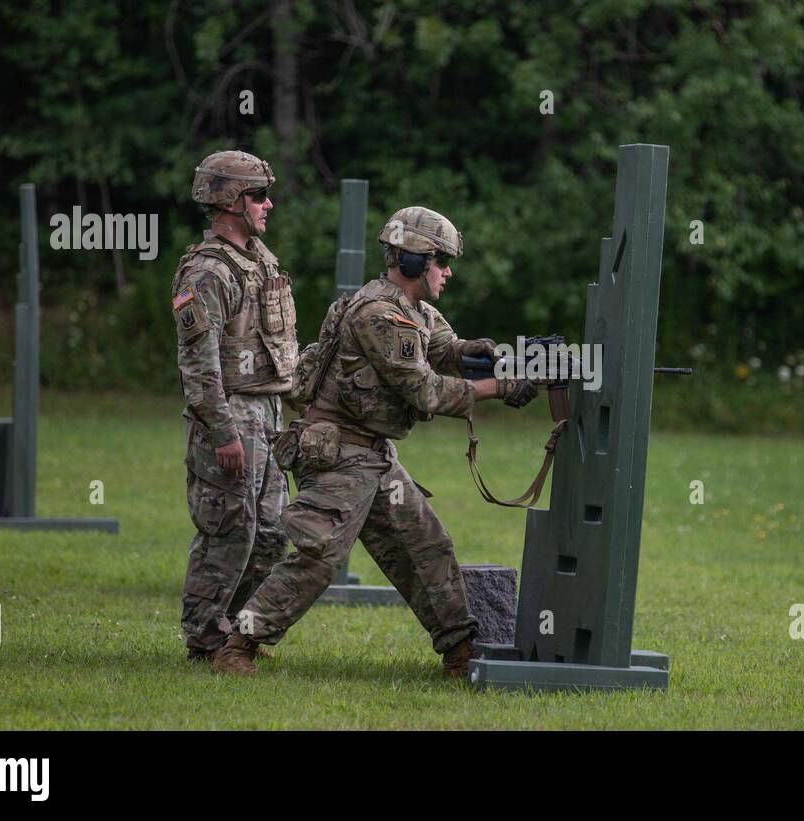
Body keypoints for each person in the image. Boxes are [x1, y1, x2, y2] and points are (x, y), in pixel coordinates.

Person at [212, 206, 537, 677]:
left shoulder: (414, 310)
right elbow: (423, 388)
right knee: (319, 558)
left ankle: (460, 653)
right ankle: (237, 644)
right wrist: (499, 387)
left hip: (371, 454)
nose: (447, 272)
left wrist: (478, 354)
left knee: (426, 544)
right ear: (411, 262)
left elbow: (442, 350)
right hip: (340, 455)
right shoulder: (380, 315)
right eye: (440, 261)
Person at [172, 150, 297, 662]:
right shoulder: (206, 273)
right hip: (231, 419)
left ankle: (233, 632)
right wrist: (222, 433)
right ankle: (204, 638)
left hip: (267, 415)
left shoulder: (260, 260)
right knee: (230, 529)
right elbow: (198, 366)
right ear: (229, 202)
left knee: (270, 533)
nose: (269, 205)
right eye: (258, 196)